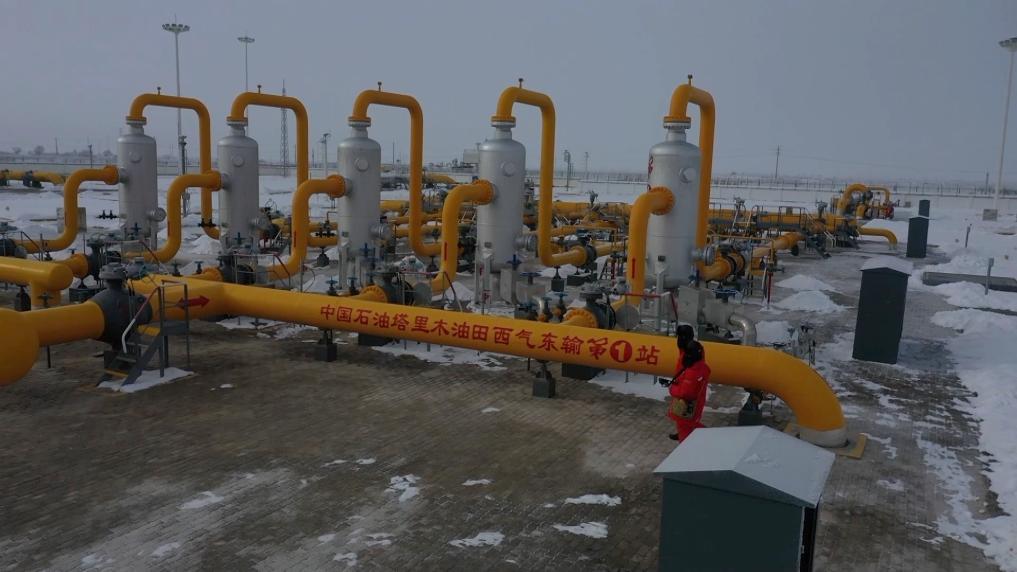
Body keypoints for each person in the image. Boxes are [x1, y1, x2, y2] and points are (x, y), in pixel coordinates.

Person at [667, 340, 711, 442]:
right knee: (687, 424)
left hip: (688, 407)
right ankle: (705, 434)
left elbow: (686, 393)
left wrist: (672, 389)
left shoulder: (692, 372)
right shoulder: (700, 365)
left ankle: (706, 436)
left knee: (686, 427)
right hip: (695, 404)